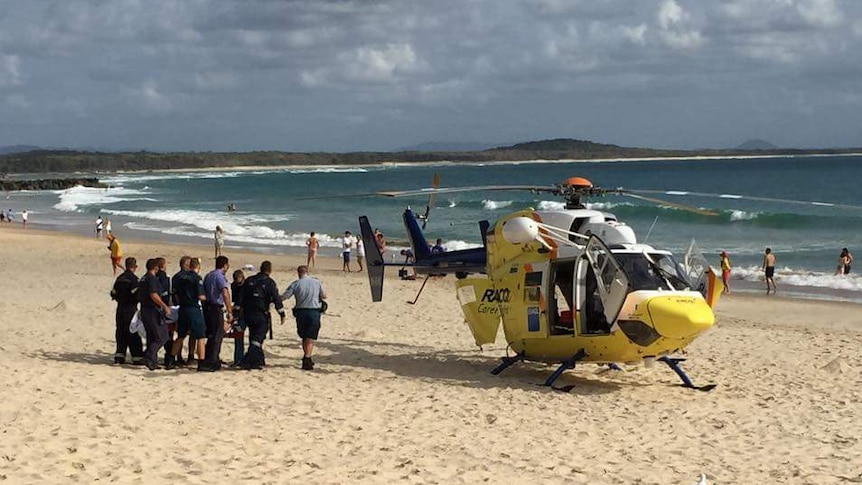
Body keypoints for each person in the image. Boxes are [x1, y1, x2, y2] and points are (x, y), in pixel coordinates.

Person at [238, 261, 285, 370]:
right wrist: (281, 313)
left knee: (253, 336)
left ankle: (258, 361)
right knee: (258, 337)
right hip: (260, 313)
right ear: (270, 270)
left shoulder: (249, 280)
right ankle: (247, 360)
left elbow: (240, 296)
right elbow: (276, 298)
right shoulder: (269, 283)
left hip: (248, 313)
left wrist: (237, 311)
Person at [281, 265, 327, 370]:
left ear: (298, 273)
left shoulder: (295, 284)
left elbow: (285, 296)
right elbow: (324, 295)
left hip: (301, 312)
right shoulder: (316, 282)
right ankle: (307, 357)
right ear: (307, 272)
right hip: (313, 311)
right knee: (310, 336)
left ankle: (307, 357)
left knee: (304, 335)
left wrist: (274, 299)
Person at [169, 256, 206, 368]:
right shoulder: (196, 278)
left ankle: (170, 359)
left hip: (183, 308)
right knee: (200, 336)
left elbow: (175, 293)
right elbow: (201, 296)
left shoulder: (178, 277)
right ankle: (201, 362)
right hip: (193, 308)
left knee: (181, 335)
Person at [199, 256, 233, 372]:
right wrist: (229, 310)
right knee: (217, 334)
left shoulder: (209, 275)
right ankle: (212, 360)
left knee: (211, 334)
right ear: (225, 265)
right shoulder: (220, 277)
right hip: (215, 307)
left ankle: (210, 358)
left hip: (207, 307)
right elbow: (225, 293)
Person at [138, 258, 172, 370]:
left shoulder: (143, 279)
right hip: (152, 310)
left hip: (144, 309)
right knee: (162, 337)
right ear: (155, 267)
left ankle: (152, 361)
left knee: (151, 336)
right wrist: (164, 305)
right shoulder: (151, 279)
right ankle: (149, 355)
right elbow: (154, 295)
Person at [110, 257, 144, 365]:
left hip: (120, 308)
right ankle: (137, 357)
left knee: (120, 332)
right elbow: (138, 295)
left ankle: (120, 356)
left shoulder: (119, 278)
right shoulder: (134, 280)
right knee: (132, 331)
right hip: (130, 308)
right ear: (135, 267)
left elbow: (113, 293)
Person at [230, 269, 246, 365]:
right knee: (238, 336)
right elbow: (235, 299)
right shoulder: (234, 286)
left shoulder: (246, 285)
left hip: (246, 312)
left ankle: (242, 359)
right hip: (238, 313)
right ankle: (238, 359)